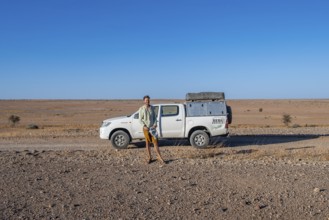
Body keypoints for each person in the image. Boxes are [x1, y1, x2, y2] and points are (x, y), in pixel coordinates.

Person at [139, 95, 165, 164]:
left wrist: (155, 124)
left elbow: (155, 118)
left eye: (148, 100)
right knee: (147, 143)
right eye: (146, 100)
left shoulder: (152, 108)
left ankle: (159, 157)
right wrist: (144, 126)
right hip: (146, 128)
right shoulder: (141, 109)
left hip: (152, 128)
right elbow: (140, 120)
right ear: (144, 101)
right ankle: (149, 157)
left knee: (155, 142)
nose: (147, 101)